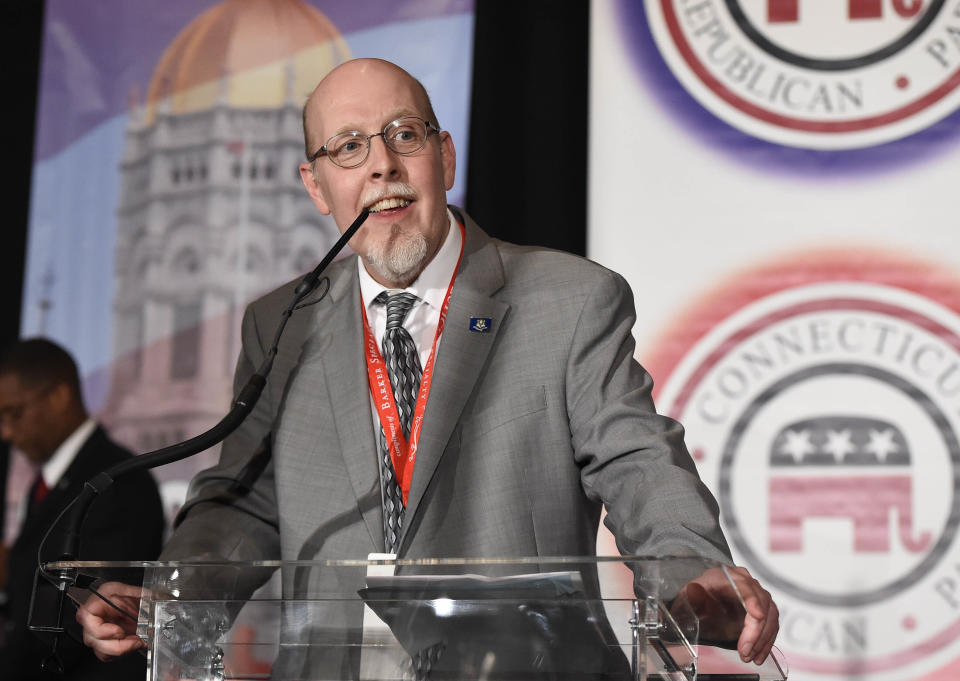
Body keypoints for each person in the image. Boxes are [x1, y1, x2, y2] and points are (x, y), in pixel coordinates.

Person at [79, 58, 779, 672]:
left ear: (443, 157)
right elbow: (243, 501)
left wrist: (694, 572)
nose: (382, 163)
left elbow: (636, 457)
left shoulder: (568, 300)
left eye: (403, 135)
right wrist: (171, 601)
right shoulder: (281, 324)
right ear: (317, 186)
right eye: (349, 147)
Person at [0, 338, 165, 679]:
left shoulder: (119, 479)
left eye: (14, 413)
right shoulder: (46, 482)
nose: (6, 432)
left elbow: (93, 604)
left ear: (59, 397)